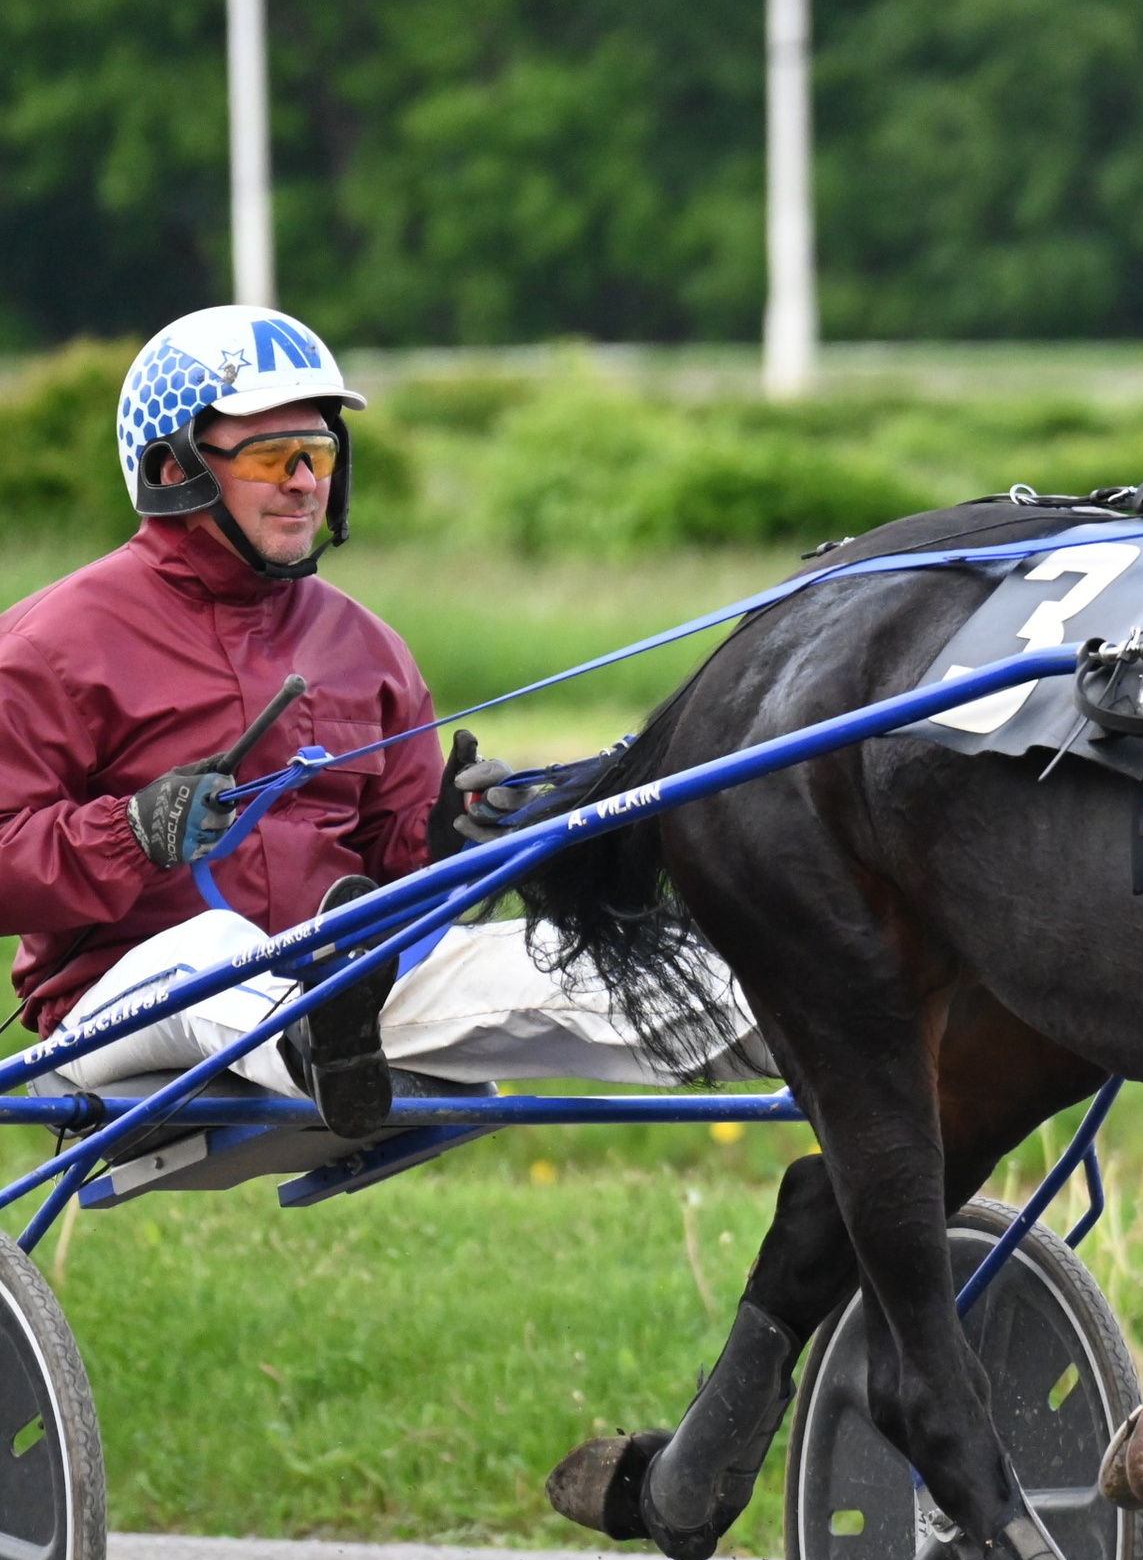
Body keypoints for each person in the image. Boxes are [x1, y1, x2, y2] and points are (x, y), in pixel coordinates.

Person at [0, 304, 764, 1139]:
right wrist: (132, 835)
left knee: (611, 969)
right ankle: (314, 1026)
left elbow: (388, 880)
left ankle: (843, 1021)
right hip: (120, 1005)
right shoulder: (51, 644)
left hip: (351, 985)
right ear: (172, 468)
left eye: (318, 453)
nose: (303, 481)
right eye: (270, 456)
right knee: (216, 944)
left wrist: (443, 845)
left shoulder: (368, 648)